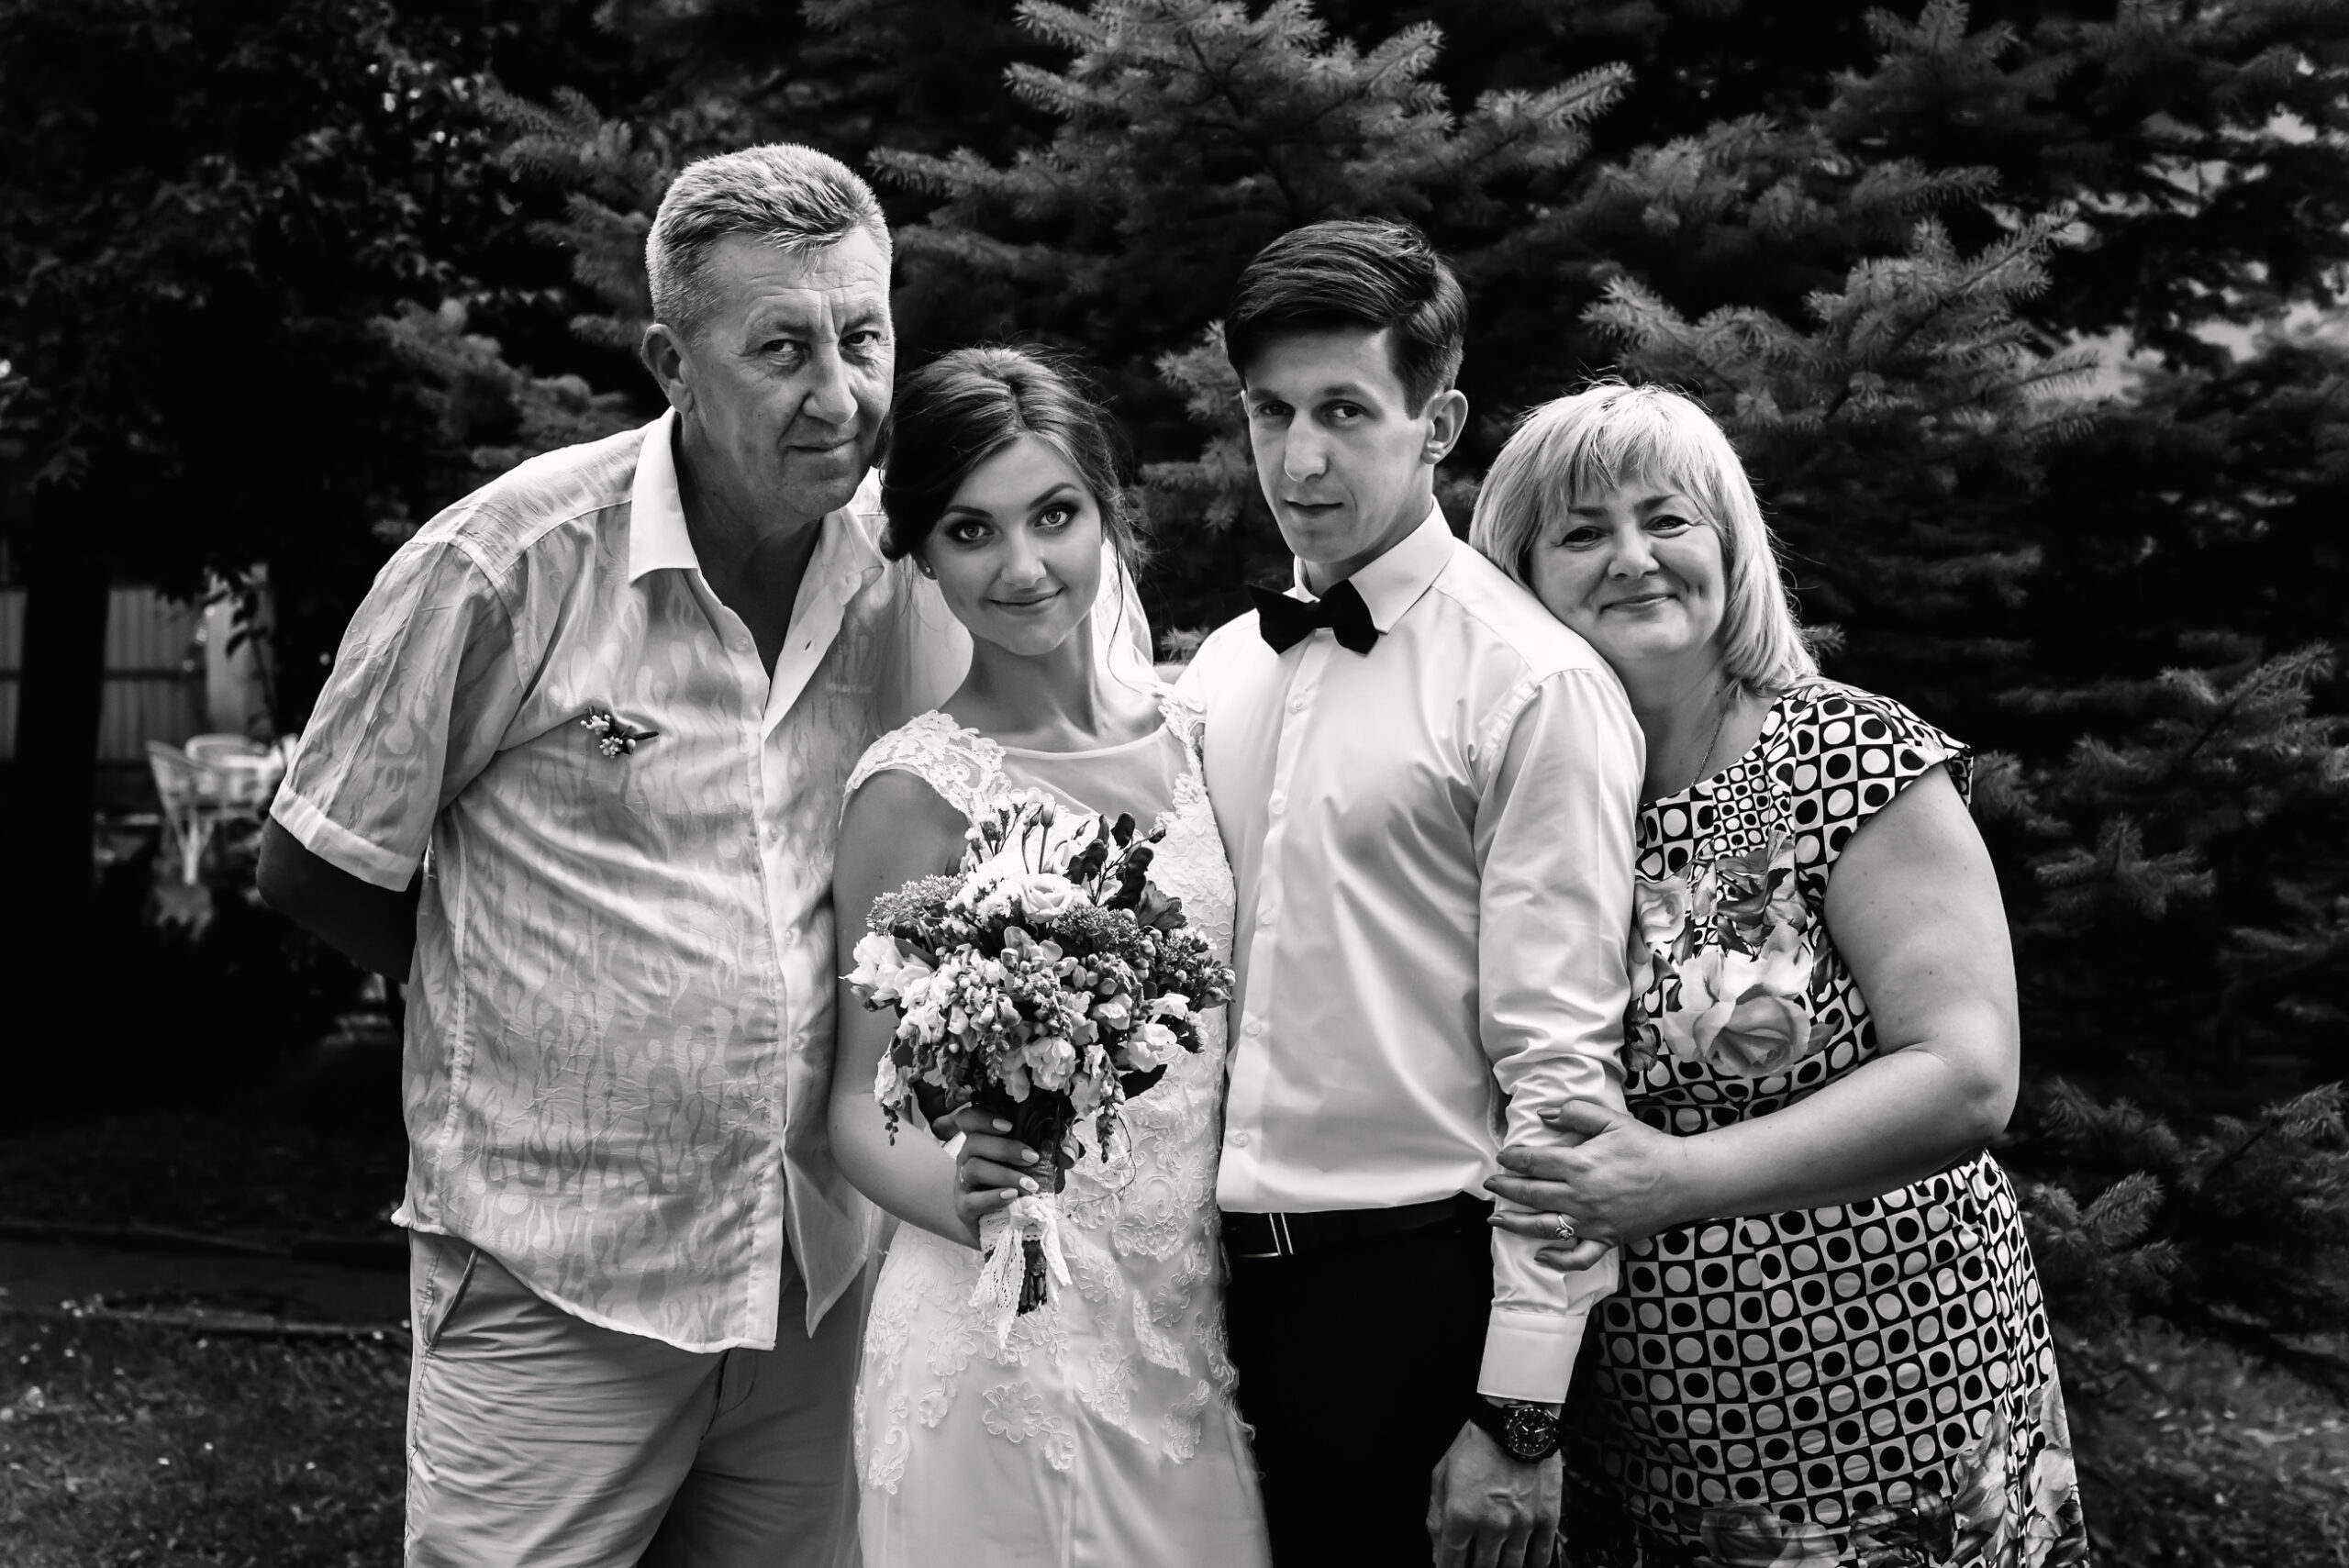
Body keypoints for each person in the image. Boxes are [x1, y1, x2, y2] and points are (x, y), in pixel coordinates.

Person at [256, 145, 1143, 1566]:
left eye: (862, 338)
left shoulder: (920, 563)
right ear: (674, 358)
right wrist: (512, 1002)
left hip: (819, 1273)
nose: (838, 392)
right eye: (780, 347)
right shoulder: (511, 561)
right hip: (559, 1268)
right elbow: (314, 858)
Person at [1469, 381, 2087, 1565]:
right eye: (1582, 531)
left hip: (1885, 1382)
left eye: (1668, 519)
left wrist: (1682, 1177)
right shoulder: (1526, 790)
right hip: (1645, 1411)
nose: (1633, 557)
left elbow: (1965, 1075)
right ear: (1523, 573)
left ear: (1730, 542)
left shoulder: (1843, 752)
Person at [1175, 219, 1644, 1568]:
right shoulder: (1219, 674)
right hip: (1201, 1293)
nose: (1301, 458)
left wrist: (1520, 1405)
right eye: (1272, 411)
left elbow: (1565, 1072)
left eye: (1344, 411)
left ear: (1436, 422)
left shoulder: (1532, 685)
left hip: (1420, 1297)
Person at [827, 345, 1271, 1568]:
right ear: (920, 553)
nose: (1022, 568)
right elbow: (858, 1109)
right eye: (971, 531)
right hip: (1002, 1337)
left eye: (1055, 514)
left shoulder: (1199, 738)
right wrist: (963, 1194)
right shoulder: (914, 791)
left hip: (1183, 1328)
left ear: (1108, 510)